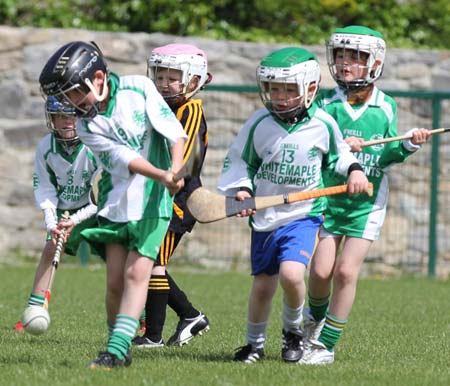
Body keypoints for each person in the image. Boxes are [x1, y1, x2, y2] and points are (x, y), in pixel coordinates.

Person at [39, 41, 187, 369]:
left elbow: (175, 133)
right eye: (64, 97)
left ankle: (116, 352)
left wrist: (174, 170)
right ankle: (117, 340)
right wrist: (162, 173)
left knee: (137, 273)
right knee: (115, 282)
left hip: (153, 202)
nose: (69, 103)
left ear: (98, 78)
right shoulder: (85, 125)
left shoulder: (139, 87)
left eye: (73, 93)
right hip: (117, 201)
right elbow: (124, 159)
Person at [217, 46, 369, 364]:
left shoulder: (323, 123)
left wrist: (354, 170)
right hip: (266, 217)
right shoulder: (259, 123)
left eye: (289, 89)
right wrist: (242, 190)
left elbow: (341, 155)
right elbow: (239, 162)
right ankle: (254, 345)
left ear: (310, 89)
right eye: (274, 89)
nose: (280, 96)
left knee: (291, 274)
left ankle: (293, 333)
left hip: (303, 215)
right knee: (262, 287)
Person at [299, 25, 430, 365]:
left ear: (374, 63)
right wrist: (340, 147)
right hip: (328, 198)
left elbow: (387, 155)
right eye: (341, 55)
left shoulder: (386, 107)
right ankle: (314, 319)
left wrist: (408, 144)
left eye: (355, 57)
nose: (344, 63)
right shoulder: (325, 103)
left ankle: (325, 345)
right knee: (320, 271)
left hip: (367, 203)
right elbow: (313, 148)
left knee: (345, 272)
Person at [131, 43, 212, 348]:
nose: (164, 83)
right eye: (159, 76)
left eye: (172, 77)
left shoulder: (190, 109)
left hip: (177, 201)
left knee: (154, 262)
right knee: (150, 260)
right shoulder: (156, 108)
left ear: (193, 80)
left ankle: (153, 335)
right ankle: (190, 315)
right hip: (155, 196)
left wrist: (171, 179)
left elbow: (186, 155)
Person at [16, 96, 99, 330]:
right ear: (51, 118)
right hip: (63, 209)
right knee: (50, 250)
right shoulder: (46, 147)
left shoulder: (96, 145)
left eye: (72, 115)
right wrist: (51, 220)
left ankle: (143, 319)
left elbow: (101, 195)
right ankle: (35, 308)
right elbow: (44, 187)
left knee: (118, 259)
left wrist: (76, 219)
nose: (66, 121)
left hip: (95, 209)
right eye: (60, 116)